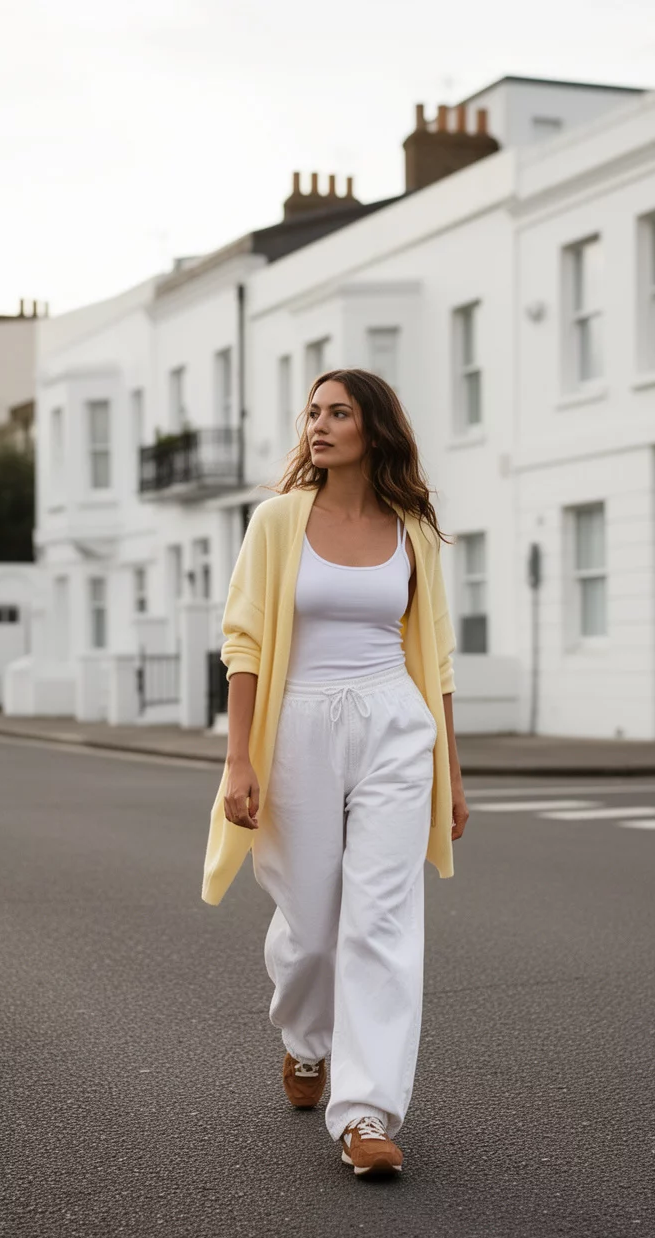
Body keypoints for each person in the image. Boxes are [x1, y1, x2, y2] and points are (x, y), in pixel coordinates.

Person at [202, 368, 469, 1178]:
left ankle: (365, 1116)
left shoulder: (411, 529)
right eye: (313, 412)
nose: (319, 424)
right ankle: (305, 1042)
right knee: (312, 928)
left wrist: (450, 774)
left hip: (394, 723)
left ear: (373, 428)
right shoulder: (278, 521)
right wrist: (238, 758)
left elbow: (439, 660)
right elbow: (244, 642)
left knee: (380, 923)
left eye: (338, 412)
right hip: (299, 729)